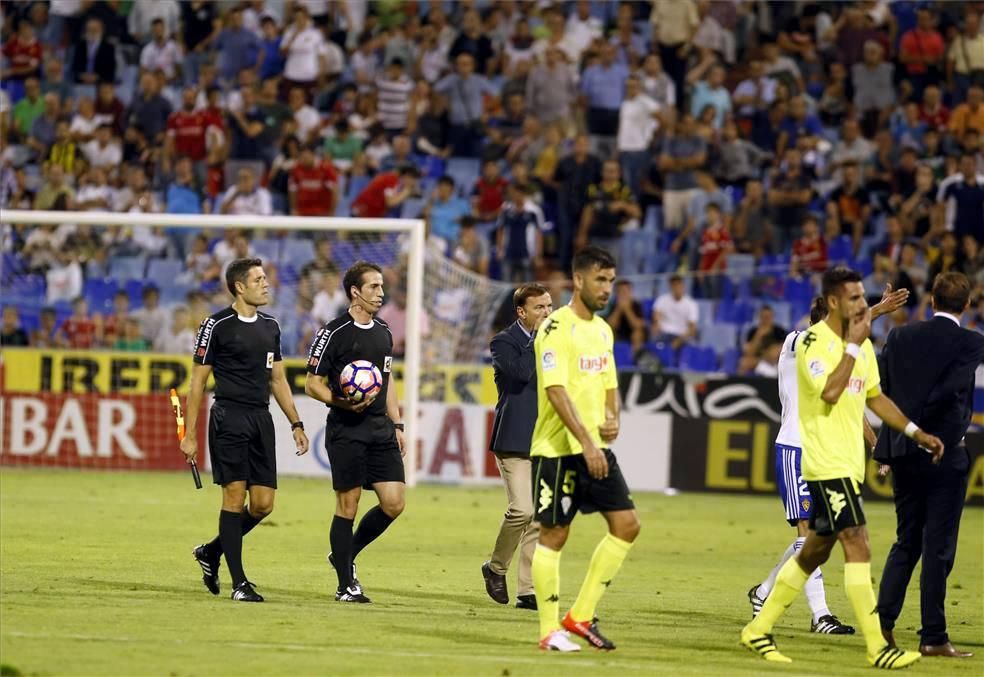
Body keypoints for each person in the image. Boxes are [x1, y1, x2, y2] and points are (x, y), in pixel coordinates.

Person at [741, 267, 944, 670]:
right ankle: (872, 643)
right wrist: (862, 331)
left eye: (862, 299)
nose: (861, 306)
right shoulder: (805, 342)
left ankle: (758, 624)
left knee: (813, 549)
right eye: (854, 299)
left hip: (847, 461)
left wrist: (912, 434)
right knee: (857, 542)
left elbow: (873, 398)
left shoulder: (861, 346)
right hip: (816, 457)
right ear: (833, 304)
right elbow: (832, 392)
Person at [747, 285, 909, 634]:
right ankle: (821, 615)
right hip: (794, 450)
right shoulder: (794, 343)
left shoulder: (839, 362)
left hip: (823, 453)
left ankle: (762, 592)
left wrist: (876, 446)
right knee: (808, 538)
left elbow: (855, 408)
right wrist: (876, 311)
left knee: (822, 536)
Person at [530, 246, 640, 652]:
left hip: (594, 447)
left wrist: (614, 417)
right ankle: (548, 630)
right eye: (600, 279)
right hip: (558, 449)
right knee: (555, 533)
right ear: (578, 280)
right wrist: (588, 441)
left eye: (611, 280)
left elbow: (610, 384)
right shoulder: (556, 328)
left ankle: (579, 616)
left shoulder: (603, 330)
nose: (607, 288)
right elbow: (555, 390)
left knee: (627, 525)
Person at [184, 258, 309, 603]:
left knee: (263, 505)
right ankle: (240, 583)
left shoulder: (270, 326)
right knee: (234, 497)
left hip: (260, 418)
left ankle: (211, 552)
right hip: (229, 417)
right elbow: (197, 382)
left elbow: (279, 379)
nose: (266, 283)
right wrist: (190, 434)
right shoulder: (216, 324)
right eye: (258, 279)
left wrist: (296, 423)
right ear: (240, 286)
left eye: (265, 277)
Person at [875, 272, 984, 658]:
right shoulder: (972, 342)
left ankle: (883, 624)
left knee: (906, 541)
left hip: (904, 451)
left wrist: (893, 444)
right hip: (945, 454)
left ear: (932, 300)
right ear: (967, 305)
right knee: (937, 547)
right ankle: (933, 636)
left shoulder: (901, 336)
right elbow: (951, 388)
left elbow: (883, 388)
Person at [304, 261, 406, 603]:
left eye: (381, 286)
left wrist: (398, 423)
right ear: (355, 292)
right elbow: (311, 384)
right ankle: (345, 584)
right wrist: (343, 403)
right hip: (347, 429)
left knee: (394, 503)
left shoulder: (384, 332)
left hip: (380, 429)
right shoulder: (333, 333)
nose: (380, 293)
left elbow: (387, 382)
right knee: (348, 504)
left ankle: (344, 554)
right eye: (374, 287)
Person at [483, 283, 553, 611]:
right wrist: (540, 336)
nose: (547, 313)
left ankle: (527, 590)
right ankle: (495, 568)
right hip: (514, 437)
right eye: (539, 307)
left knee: (540, 517)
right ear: (522, 312)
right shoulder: (503, 342)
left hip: (546, 437)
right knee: (522, 509)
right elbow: (522, 374)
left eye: (549, 306)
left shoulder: (556, 342)